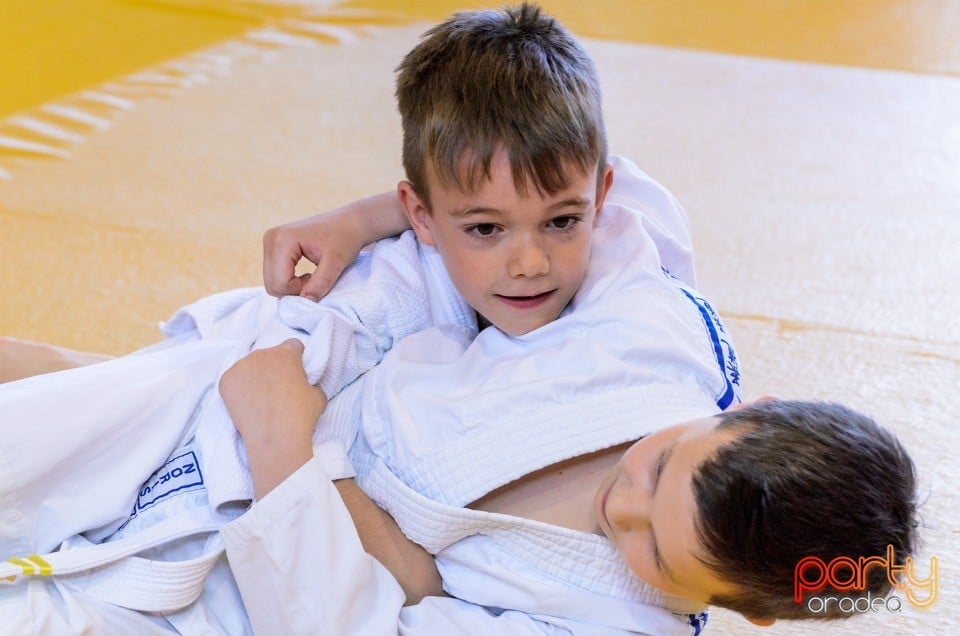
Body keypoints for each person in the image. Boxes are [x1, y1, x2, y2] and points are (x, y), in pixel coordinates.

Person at [0, 3, 918, 634]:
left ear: (745, 610)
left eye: (657, 552)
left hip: (247, 566)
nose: (620, 509)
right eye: (660, 466)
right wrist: (367, 218)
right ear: (742, 411)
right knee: (48, 407)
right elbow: (570, 181)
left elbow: (365, 621)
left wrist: (291, 454)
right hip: (271, 382)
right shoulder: (655, 339)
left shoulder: (604, 620)